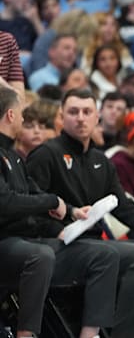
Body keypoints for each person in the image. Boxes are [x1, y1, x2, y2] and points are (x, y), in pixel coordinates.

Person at [26, 88, 134, 337]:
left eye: (87, 112)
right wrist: (58, 229)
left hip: (89, 243)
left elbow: (124, 207)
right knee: (104, 252)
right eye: (73, 112)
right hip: (54, 244)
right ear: (62, 117)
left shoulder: (100, 161)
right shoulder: (46, 155)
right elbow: (30, 209)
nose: (81, 118)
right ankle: (91, 333)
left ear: (97, 118)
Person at [0, 87, 119, 338]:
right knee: (39, 255)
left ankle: (91, 335)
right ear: (10, 115)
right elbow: (6, 202)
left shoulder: (15, 156)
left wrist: (74, 211)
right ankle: (26, 334)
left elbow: (33, 193)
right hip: (7, 241)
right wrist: (53, 201)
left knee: (103, 254)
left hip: (28, 240)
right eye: (22, 114)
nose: (24, 120)